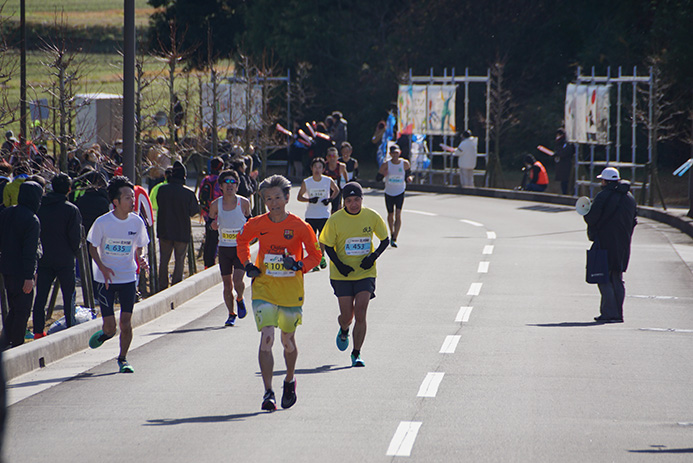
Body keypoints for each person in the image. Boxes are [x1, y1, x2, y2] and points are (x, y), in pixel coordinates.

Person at [236, 175, 321, 411]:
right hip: (264, 287)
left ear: (286, 198)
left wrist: (298, 265)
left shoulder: (299, 227)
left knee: (287, 340)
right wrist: (248, 264)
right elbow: (241, 241)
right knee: (267, 338)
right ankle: (268, 392)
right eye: (268, 199)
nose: (273, 203)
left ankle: (289, 380)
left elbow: (316, 255)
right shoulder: (257, 224)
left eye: (277, 198)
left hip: (291, 290)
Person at [319, 182, 389, 367]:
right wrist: (339, 265)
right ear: (344, 202)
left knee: (361, 311)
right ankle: (343, 329)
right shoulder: (335, 220)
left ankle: (356, 353)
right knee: (347, 316)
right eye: (349, 200)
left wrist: (373, 256)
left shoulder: (371, 216)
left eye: (357, 199)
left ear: (361, 199)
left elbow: (385, 239)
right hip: (341, 274)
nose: (353, 204)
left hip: (365, 272)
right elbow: (327, 245)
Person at [87, 176, 149, 373]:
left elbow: (140, 247)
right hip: (104, 280)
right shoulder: (102, 222)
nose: (132, 201)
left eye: (133, 197)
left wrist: (142, 258)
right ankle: (106, 334)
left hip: (128, 277)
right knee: (111, 327)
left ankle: (123, 359)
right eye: (128, 198)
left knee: (126, 322)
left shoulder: (137, 222)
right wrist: (102, 268)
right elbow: (92, 247)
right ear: (116, 202)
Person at [583, 167, 637, 323]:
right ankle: (618, 314)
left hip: (604, 242)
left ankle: (608, 313)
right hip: (624, 243)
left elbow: (592, 218)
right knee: (617, 277)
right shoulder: (629, 197)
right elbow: (634, 220)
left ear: (605, 181)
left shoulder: (603, 196)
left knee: (603, 277)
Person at [32, 173, 82, 339]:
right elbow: (75, 237)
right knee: (69, 296)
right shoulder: (71, 209)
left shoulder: (40, 206)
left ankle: (38, 330)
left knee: (41, 297)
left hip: (44, 257)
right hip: (65, 258)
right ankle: (70, 328)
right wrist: (75, 251)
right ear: (69, 189)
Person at [0, 181, 42, 348]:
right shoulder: (32, 220)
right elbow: (30, 251)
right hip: (22, 271)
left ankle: (5, 341)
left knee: (14, 308)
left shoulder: (7, 212)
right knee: (23, 310)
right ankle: (17, 343)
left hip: (6, 268)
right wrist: (29, 276)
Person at [208, 169, 251, 326]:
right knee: (227, 284)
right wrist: (212, 226)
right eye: (226, 182)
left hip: (240, 248)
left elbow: (249, 222)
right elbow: (210, 225)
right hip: (224, 248)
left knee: (237, 280)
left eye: (233, 182)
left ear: (237, 186)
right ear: (220, 186)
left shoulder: (244, 203)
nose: (230, 185)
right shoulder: (215, 205)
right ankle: (231, 314)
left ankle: (240, 298)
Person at [156, 161, 200, 290]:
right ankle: (176, 285)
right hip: (182, 230)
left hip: (164, 229)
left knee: (164, 259)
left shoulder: (162, 190)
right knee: (179, 259)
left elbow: (159, 204)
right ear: (184, 177)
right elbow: (193, 212)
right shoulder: (188, 193)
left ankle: (162, 285)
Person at [297, 157, 339, 271]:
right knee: (312, 239)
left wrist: (330, 199)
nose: (317, 169)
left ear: (323, 169)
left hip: (324, 214)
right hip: (311, 214)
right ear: (311, 168)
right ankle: (315, 260)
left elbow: (337, 190)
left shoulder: (328, 180)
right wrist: (309, 200)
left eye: (320, 167)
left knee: (322, 238)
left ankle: (321, 257)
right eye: (315, 167)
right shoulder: (307, 182)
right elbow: (299, 197)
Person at [376, 144, 412, 248]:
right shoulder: (386, 165)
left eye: (397, 153)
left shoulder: (404, 163)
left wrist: (409, 178)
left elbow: (409, 174)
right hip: (389, 192)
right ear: (390, 154)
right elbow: (377, 178)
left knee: (398, 214)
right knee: (390, 215)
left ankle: (395, 237)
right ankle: (391, 232)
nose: (395, 155)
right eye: (393, 153)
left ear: (399, 153)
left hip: (400, 191)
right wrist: (384, 174)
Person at [199, 157, 224, 268]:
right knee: (216, 239)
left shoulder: (206, 180)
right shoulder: (220, 182)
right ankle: (212, 263)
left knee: (209, 239)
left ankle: (207, 263)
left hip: (206, 213)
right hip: (218, 215)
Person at [323, 147, 348, 213]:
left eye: (334, 156)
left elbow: (346, 179)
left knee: (336, 209)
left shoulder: (341, 166)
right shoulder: (323, 166)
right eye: (330, 156)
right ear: (327, 157)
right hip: (326, 190)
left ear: (337, 157)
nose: (332, 158)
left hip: (337, 190)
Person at [553, 128, 574, 195]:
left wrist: (557, 153)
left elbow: (564, 152)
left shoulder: (566, 144)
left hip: (566, 165)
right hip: (561, 166)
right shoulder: (559, 143)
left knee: (566, 181)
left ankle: (566, 193)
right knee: (563, 181)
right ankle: (564, 193)